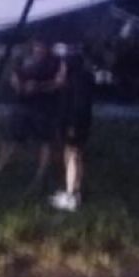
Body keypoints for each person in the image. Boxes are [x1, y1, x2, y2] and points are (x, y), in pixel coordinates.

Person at [0, 38, 66, 186]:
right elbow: (14, 77)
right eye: (37, 44)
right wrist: (20, 87)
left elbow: (59, 83)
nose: (39, 48)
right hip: (22, 105)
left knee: (45, 140)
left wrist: (39, 87)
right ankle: (0, 169)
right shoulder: (23, 60)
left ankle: (40, 175)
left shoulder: (55, 62)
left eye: (42, 45)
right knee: (11, 137)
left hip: (45, 106)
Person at [50, 43, 95, 212]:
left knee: (72, 156)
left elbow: (78, 105)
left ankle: (70, 196)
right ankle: (74, 192)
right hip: (78, 123)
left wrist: (72, 125)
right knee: (75, 155)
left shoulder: (76, 81)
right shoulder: (83, 77)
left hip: (74, 123)